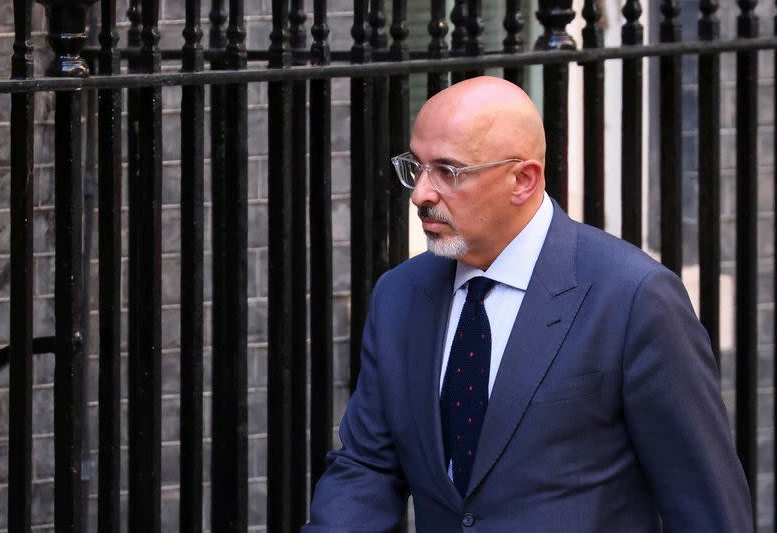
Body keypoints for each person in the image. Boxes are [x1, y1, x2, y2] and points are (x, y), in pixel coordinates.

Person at [303, 76, 752, 532]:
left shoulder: (635, 298)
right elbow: (367, 470)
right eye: (415, 167)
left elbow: (705, 506)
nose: (420, 193)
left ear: (522, 179)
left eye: (447, 171)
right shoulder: (399, 296)